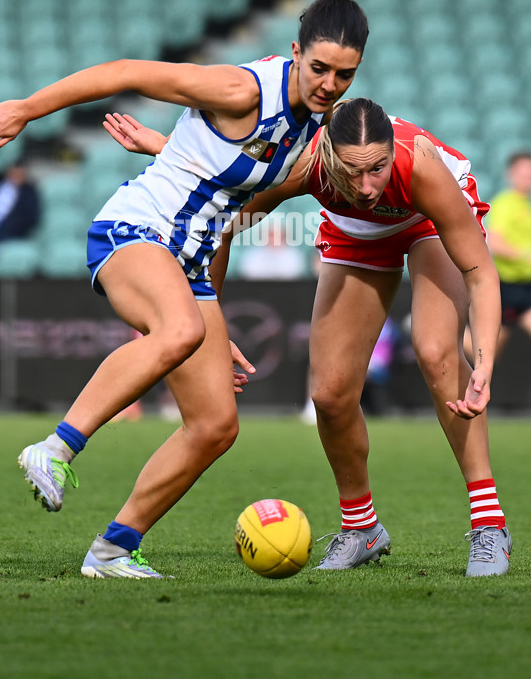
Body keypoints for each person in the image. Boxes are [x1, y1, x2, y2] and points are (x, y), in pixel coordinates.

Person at [0, 0, 382, 580]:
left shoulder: (307, 138)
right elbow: (123, 68)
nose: (331, 86)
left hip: (186, 258)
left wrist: (212, 311)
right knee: (180, 329)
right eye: (321, 68)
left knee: (217, 424)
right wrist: (28, 108)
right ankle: (55, 446)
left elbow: (226, 211)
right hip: (134, 230)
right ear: (297, 51)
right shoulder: (240, 89)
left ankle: (112, 551)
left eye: (344, 77)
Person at [203, 98, 509, 577]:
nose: (367, 186)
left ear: (391, 151)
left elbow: (479, 272)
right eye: (352, 172)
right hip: (356, 234)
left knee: (436, 351)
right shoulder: (301, 162)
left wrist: (485, 360)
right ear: (329, 158)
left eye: (378, 169)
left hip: (425, 222)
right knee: (328, 393)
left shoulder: (421, 164)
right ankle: (361, 527)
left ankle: (489, 525)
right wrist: (213, 326)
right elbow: (221, 225)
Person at [480, 151, 531, 357]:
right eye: (523, 172)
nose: (527, 176)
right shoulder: (504, 203)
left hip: (526, 285)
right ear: (510, 174)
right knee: (491, 348)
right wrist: (525, 255)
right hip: (508, 286)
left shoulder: (524, 205)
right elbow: (495, 243)